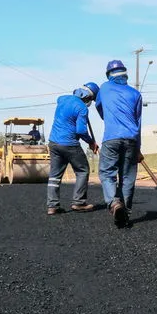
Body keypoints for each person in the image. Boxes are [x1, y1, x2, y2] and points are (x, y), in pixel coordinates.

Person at [96, 60, 143, 226]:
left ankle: (115, 203)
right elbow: (138, 122)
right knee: (128, 176)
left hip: (111, 138)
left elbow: (100, 108)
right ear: (125, 74)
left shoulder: (104, 88)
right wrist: (138, 148)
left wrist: (109, 117)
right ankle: (126, 212)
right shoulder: (135, 94)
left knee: (107, 173)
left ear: (109, 75)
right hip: (131, 139)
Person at [46, 82, 100, 216]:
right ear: (88, 97)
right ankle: (79, 202)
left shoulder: (62, 99)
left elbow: (61, 102)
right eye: (91, 99)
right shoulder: (82, 108)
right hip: (69, 144)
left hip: (53, 143)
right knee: (82, 170)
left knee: (54, 176)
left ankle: (52, 206)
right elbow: (81, 130)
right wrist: (91, 142)